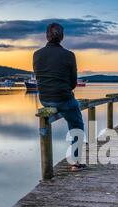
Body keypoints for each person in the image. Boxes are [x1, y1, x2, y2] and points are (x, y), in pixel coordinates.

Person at [33, 22, 86, 171]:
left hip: (44, 98)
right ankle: (75, 162)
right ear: (62, 37)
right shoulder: (69, 55)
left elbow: (39, 78)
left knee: (68, 111)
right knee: (76, 125)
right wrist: (64, 92)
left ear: (46, 36)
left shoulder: (37, 54)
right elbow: (73, 83)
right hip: (63, 98)